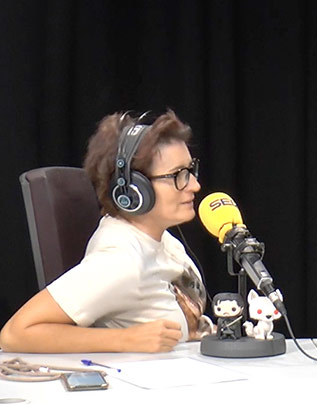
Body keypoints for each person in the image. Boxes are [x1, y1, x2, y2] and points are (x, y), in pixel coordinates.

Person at [0, 110, 211, 354]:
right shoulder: (121, 261)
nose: (194, 185)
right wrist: (125, 339)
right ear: (135, 189)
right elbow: (15, 333)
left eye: (190, 170)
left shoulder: (161, 239)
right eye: (178, 175)